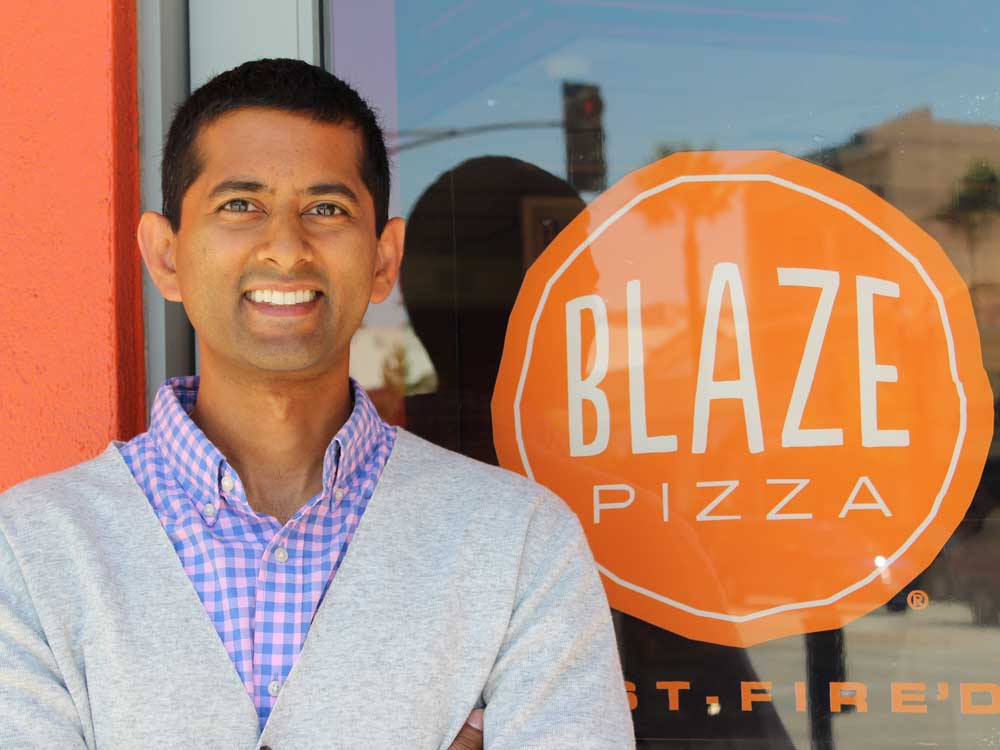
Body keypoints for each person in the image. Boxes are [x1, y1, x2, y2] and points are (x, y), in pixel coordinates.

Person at [0, 58, 634, 748]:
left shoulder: (520, 545)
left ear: (384, 260)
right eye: (239, 205)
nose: (286, 248)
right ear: (167, 256)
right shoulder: (31, 552)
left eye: (326, 209)